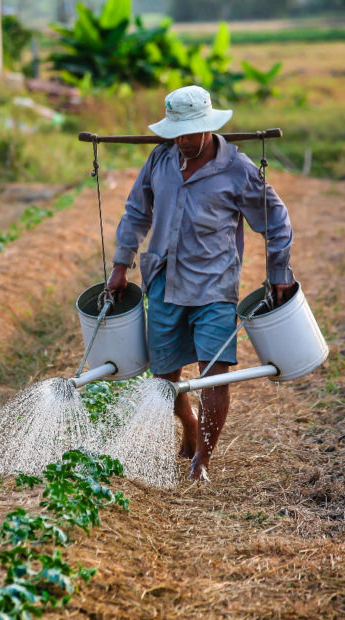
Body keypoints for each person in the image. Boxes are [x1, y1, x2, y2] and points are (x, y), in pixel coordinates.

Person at [106, 85, 296, 481]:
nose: (184, 141)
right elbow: (136, 213)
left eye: (191, 133)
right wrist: (120, 265)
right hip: (163, 282)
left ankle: (202, 461)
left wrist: (278, 272)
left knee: (215, 374)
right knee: (164, 379)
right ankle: (189, 427)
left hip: (214, 286)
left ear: (209, 127)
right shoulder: (160, 160)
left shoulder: (238, 170)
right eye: (177, 133)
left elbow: (276, 221)